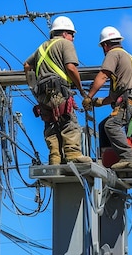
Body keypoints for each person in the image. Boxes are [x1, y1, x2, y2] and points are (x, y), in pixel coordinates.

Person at [24, 16, 92, 165]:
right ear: (64, 33)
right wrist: (80, 89)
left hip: (42, 94)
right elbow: (71, 68)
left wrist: (33, 86)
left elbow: (27, 66)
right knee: (68, 122)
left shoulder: (41, 48)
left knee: (51, 124)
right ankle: (73, 154)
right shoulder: (65, 44)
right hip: (59, 89)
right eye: (72, 34)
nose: (73, 38)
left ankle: (55, 157)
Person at [83, 26, 132, 169]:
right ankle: (129, 159)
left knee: (111, 125)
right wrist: (99, 102)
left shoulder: (113, 54)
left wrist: (89, 97)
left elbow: (103, 75)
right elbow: (116, 95)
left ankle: (128, 158)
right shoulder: (128, 57)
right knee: (107, 125)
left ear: (105, 45)